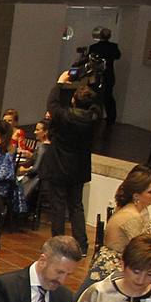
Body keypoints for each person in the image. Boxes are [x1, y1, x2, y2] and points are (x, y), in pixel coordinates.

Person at [45, 72, 101, 251]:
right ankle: (82, 245)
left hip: (59, 166)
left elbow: (52, 104)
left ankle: (58, 245)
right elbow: (97, 106)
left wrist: (60, 83)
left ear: (74, 101)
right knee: (76, 206)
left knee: (58, 206)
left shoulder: (65, 116)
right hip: (79, 168)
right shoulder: (94, 118)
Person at [84, 165, 151, 286]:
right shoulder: (131, 216)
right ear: (136, 196)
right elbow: (142, 250)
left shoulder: (134, 210)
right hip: (113, 268)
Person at [84, 26, 121, 125]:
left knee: (93, 94)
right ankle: (111, 117)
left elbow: (88, 59)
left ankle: (92, 115)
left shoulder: (94, 47)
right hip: (108, 74)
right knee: (108, 95)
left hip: (96, 74)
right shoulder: (113, 46)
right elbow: (118, 56)